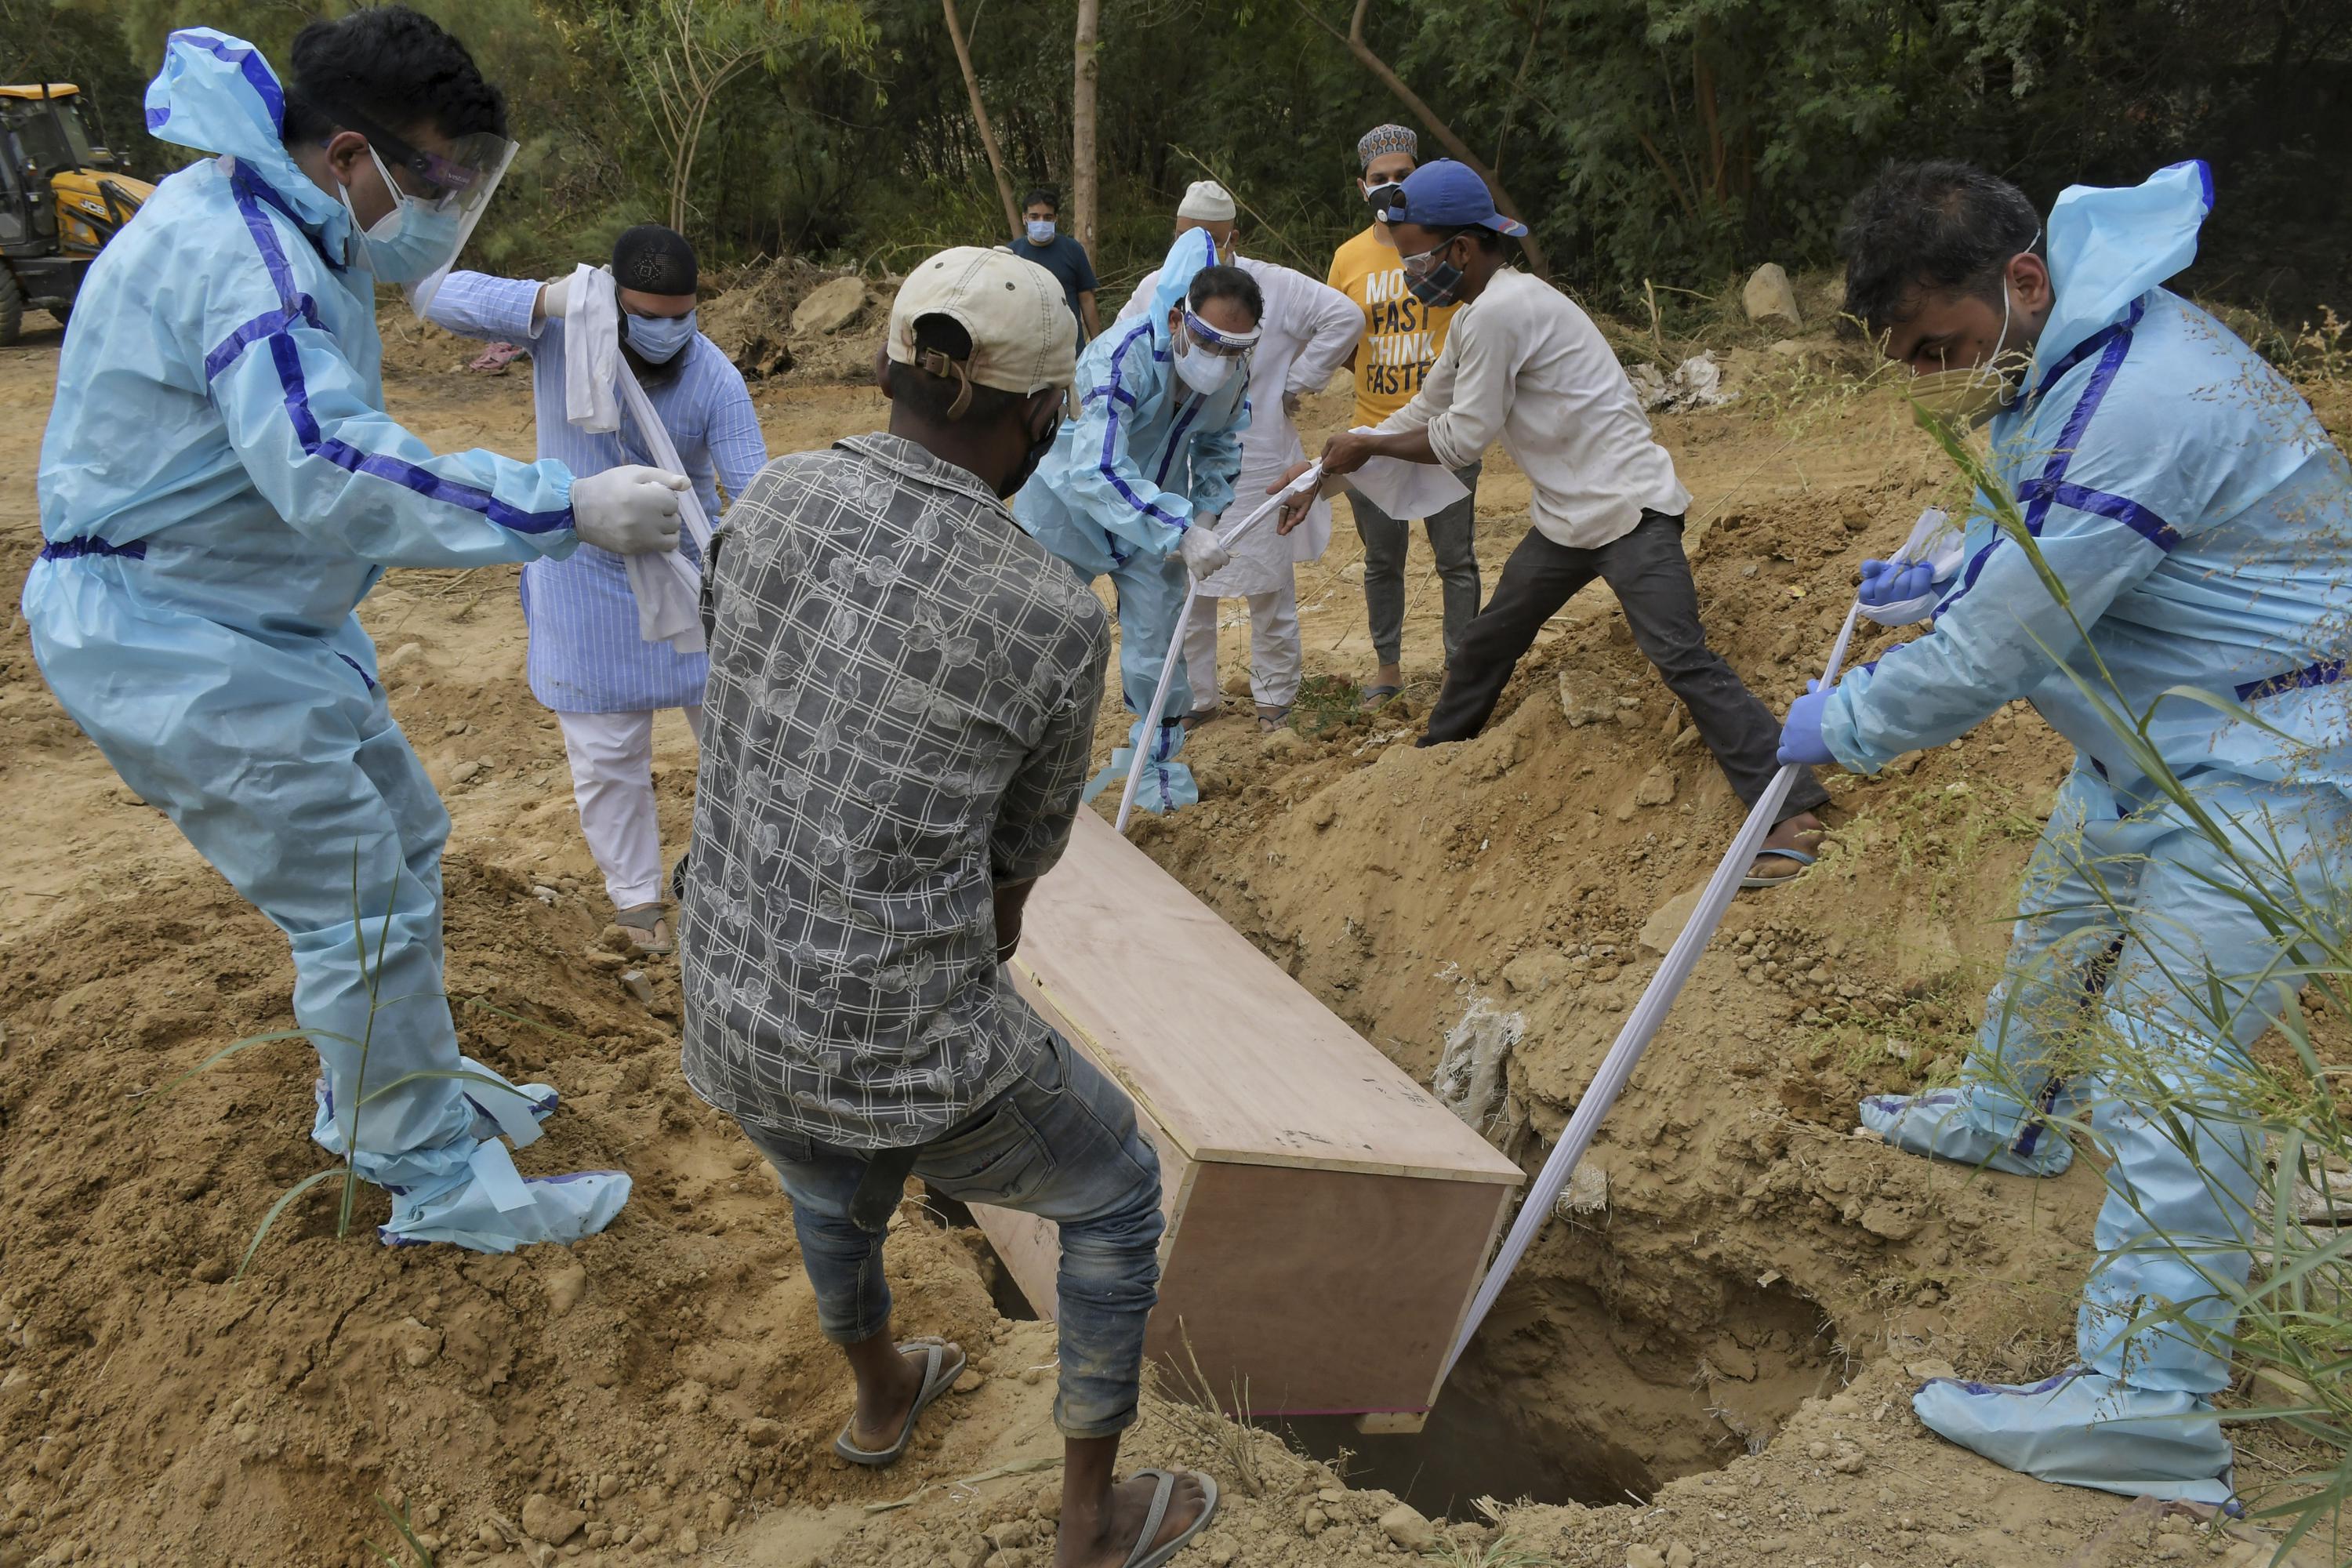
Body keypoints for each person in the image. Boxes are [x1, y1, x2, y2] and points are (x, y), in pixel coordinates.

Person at [20, 15, 692, 1250]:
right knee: (356, 899)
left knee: (408, 837)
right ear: (347, 153)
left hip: (253, 614)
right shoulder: (244, 256)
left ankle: (386, 1082)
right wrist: (568, 505)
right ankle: (424, 1170)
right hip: (174, 632)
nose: (444, 205)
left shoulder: (292, 228)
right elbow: (327, 462)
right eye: (434, 176)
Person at [1777, 159, 2352, 1504]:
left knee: (2171, 1057)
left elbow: (2006, 642)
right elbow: (2027, 538)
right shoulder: (2084, 346)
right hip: (2158, 728)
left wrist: (1848, 721)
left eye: (1945, 344)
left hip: (2279, 761)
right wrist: (1939, 575)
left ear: (2020, 281)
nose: (1938, 373)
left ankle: (2148, 1404)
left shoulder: (2142, 398)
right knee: (2065, 915)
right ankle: (2011, 1112)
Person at [681, 246, 1219, 1568]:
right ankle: (1089, 1530)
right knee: (1108, 1189)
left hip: (725, 995)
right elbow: (1007, 894)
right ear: (1039, 415)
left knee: (828, 1173)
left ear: (889, 373)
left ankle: (881, 1400)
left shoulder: (772, 500)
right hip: (890, 1031)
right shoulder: (1049, 610)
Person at [1283, 161, 1828, 884]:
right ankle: (1430, 763)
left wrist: (1367, 445)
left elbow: (1457, 440)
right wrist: (1323, 475)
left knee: (1680, 656)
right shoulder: (1478, 315)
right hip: (1568, 519)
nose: (1410, 271)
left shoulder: (1505, 312)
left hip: (1628, 509)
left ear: (1464, 250)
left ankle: (1792, 808)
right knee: (1489, 639)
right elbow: (1422, 409)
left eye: (1416, 255)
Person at [426, 225, 768, 955]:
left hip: (690, 571)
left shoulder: (714, 377)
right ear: (612, 304)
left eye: (683, 315)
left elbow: (755, 493)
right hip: (581, 573)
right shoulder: (563, 343)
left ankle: (741, 880)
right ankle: (638, 907)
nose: (667, 332)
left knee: (746, 741)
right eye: (649, 315)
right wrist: (550, 300)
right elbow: (436, 294)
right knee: (609, 758)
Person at [1014, 227, 1258, 812]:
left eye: (1235, 346)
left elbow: (1223, 447)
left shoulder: (1233, 378)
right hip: (1068, 515)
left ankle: (1158, 776)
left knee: (1158, 646)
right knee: (1033, 638)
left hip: (1155, 524)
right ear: (1178, 319)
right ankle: (1013, 770)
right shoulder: (1119, 357)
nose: (1219, 358)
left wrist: (1204, 517)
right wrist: (1180, 528)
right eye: (1208, 340)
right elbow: (1096, 470)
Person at [1117, 181, 1359, 731]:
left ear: (1234, 240)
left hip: (1258, 454)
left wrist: (1295, 384)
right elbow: (1125, 341)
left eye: (1211, 238)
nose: (1197, 249)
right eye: (1185, 237)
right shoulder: (1159, 286)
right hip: (1179, 458)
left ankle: (1275, 697)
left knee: (1268, 584)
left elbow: (1345, 317)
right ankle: (1197, 698)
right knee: (1186, 588)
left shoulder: (1272, 284)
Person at [1327, 125, 1482, 706]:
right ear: (1360, 186)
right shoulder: (1348, 258)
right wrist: (1374, 373)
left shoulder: (1446, 240)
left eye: (1403, 176)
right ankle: (1387, 670)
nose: (1392, 186)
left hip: (1444, 430)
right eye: (1379, 178)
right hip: (1375, 429)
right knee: (1381, 560)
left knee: (1456, 559)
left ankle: (1458, 671)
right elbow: (1337, 336)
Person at [1011, 185, 1102, 345]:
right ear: (1024, 218)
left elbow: (1087, 299)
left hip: (1069, 347)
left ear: (1055, 219)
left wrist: (1098, 343)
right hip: (1026, 348)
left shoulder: (1073, 250)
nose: (1041, 221)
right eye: (1034, 216)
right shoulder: (1011, 254)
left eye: (1047, 217)